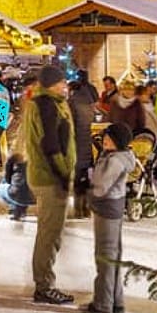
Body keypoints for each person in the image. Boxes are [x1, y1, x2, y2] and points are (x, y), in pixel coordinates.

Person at [24, 64, 76, 306]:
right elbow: (50, 144)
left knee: (50, 232)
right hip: (50, 177)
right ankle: (44, 285)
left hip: (44, 174)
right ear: (51, 84)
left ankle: (44, 282)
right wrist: (64, 174)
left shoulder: (46, 102)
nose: (65, 85)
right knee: (49, 233)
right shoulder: (45, 105)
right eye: (62, 81)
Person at [84, 122, 137, 313]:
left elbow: (101, 186)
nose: (105, 140)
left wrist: (88, 193)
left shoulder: (114, 160)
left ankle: (103, 304)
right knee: (113, 255)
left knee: (105, 256)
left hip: (107, 207)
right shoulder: (115, 156)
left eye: (109, 137)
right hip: (113, 206)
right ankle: (116, 301)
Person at [69, 73, 99, 217]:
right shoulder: (88, 102)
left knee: (78, 177)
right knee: (85, 177)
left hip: (77, 144)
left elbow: (68, 125)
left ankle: (78, 209)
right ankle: (86, 208)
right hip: (88, 144)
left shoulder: (72, 102)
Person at [0, 150, 36, 221]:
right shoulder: (34, 163)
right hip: (34, 198)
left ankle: (14, 208)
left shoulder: (12, 163)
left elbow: (7, 180)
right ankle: (21, 209)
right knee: (24, 187)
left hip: (16, 195)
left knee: (0, 188)